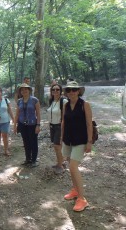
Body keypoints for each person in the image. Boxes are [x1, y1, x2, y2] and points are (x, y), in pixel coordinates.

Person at [61, 81, 93, 212]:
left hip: (80, 140)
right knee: (70, 167)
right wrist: (61, 138)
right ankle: (75, 190)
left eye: (74, 90)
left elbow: (89, 124)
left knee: (73, 167)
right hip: (67, 140)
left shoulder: (85, 105)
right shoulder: (66, 105)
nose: (71, 92)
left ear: (79, 91)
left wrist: (89, 142)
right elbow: (63, 122)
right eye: (68, 90)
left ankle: (82, 199)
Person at [13, 83, 41, 167]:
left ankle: (34, 160)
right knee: (26, 142)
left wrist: (38, 125)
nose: (24, 91)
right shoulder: (19, 101)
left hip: (32, 124)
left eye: (26, 89)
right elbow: (17, 114)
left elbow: (38, 114)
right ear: (20, 91)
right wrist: (15, 125)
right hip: (22, 124)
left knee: (33, 142)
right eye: (22, 89)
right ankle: (28, 159)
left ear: (29, 90)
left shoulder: (34, 100)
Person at [47, 83, 67, 174]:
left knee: (57, 146)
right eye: (53, 89)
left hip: (59, 126)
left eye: (57, 89)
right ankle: (60, 163)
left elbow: (66, 117)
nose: (55, 91)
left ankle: (61, 166)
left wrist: (63, 129)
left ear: (61, 91)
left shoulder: (64, 101)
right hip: (52, 126)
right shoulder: (51, 101)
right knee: (57, 147)